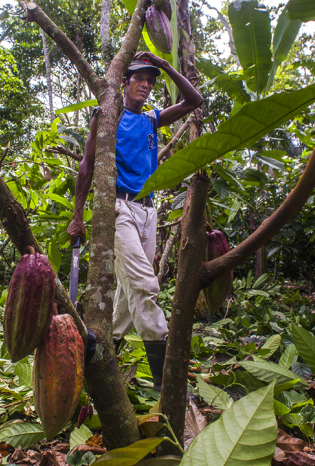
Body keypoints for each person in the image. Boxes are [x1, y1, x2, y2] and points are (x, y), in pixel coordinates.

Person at [68, 51, 203, 390]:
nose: (145, 84)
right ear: (125, 83)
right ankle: (165, 385)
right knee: (144, 285)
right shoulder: (108, 116)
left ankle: (93, 358)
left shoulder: (152, 119)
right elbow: (87, 165)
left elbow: (194, 100)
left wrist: (166, 66)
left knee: (127, 303)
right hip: (118, 208)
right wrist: (77, 215)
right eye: (139, 78)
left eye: (150, 80)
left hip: (148, 211)